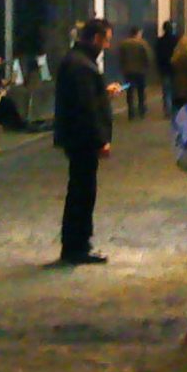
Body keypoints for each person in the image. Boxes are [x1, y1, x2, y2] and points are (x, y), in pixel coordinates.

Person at [54, 18, 120, 265]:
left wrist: (103, 92)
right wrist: (100, 139)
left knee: (81, 190)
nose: (108, 46)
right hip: (81, 140)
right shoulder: (82, 65)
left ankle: (78, 243)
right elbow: (86, 108)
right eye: (107, 40)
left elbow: (89, 99)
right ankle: (76, 245)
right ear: (96, 38)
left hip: (76, 138)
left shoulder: (77, 61)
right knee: (82, 192)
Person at [116, 25, 153, 121]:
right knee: (141, 91)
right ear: (138, 33)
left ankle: (131, 112)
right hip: (140, 71)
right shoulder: (142, 43)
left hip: (128, 71)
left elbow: (121, 57)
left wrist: (123, 67)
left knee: (130, 92)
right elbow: (148, 56)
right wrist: (147, 67)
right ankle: (141, 110)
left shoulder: (124, 44)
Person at [154, 20, 180, 117]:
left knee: (166, 91)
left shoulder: (160, 41)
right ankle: (174, 110)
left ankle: (167, 110)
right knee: (175, 90)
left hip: (164, 68)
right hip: (175, 69)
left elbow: (157, 55)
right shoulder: (177, 40)